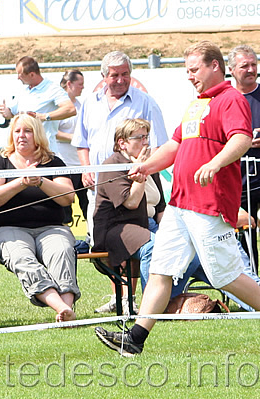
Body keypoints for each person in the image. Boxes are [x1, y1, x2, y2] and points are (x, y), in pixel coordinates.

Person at [95, 41, 260, 356]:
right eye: (187, 70)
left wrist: (214, 163)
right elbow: (175, 146)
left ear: (215, 66)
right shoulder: (196, 103)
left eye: (194, 69)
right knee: (161, 268)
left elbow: (241, 138)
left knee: (224, 276)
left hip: (208, 204)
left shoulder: (230, 99)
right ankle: (135, 340)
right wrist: (146, 166)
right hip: (181, 203)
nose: (190, 76)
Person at [0, 114, 80, 321]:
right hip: (8, 229)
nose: (22, 136)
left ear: (37, 135)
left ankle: (67, 309)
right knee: (21, 257)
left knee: (62, 250)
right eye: (17, 131)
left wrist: (40, 181)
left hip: (51, 227)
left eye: (27, 131)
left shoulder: (54, 162)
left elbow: (68, 197)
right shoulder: (1, 162)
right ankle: (59, 306)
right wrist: (22, 181)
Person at [72, 51, 168, 239]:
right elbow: (81, 143)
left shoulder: (146, 102)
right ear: (104, 77)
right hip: (97, 189)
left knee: (137, 244)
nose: (120, 80)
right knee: (100, 245)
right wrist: (86, 169)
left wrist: (143, 172)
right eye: (114, 75)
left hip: (134, 190)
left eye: (125, 74)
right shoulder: (90, 102)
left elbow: (158, 146)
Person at [93, 118, 166, 313]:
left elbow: (160, 207)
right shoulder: (112, 164)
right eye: (139, 137)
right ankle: (152, 307)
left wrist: (172, 233)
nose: (145, 142)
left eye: (146, 137)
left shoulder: (150, 164)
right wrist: (141, 172)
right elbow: (131, 203)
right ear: (122, 143)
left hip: (148, 224)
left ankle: (172, 299)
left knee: (182, 247)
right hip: (117, 227)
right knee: (154, 247)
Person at [0, 56, 76, 156]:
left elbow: (70, 109)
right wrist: (5, 112)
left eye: (20, 74)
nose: (18, 77)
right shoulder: (24, 90)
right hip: (23, 153)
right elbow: (11, 113)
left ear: (32, 74)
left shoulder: (52, 89)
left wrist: (44, 116)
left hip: (45, 153)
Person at [229, 45, 260, 270]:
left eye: (254, 65)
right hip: (236, 181)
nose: (250, 69)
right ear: (231, 70)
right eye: (244, 66)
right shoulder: (225, 100)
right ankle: (254, 289)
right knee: (245, 238)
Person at [55, 70, 88, 223]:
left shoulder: (81, 106)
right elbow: (52, 132)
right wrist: (75, 138)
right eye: (80, 84)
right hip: (63, 163)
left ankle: (91, 239)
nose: (82, 87)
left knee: (87, 205)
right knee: (64, 209)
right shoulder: (57, 105)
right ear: (69, 84)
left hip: (80, 164)